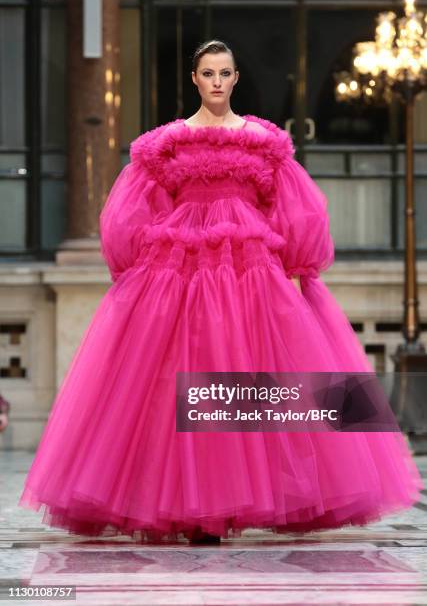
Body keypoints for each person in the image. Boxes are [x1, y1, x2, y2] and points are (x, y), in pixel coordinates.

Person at [18, 39, 422, 545]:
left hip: (251, 270)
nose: (215, 81)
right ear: (195, 79)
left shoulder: (262, 141)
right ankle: (191, 505)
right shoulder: (167, 142)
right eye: (207, 72)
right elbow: (126, 212)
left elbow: (299, 209)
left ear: (234, 79)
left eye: (224, 72)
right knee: (178, 374)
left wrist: (295, 262)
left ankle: (255, 498)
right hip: (179, 269)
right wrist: (140, 259)